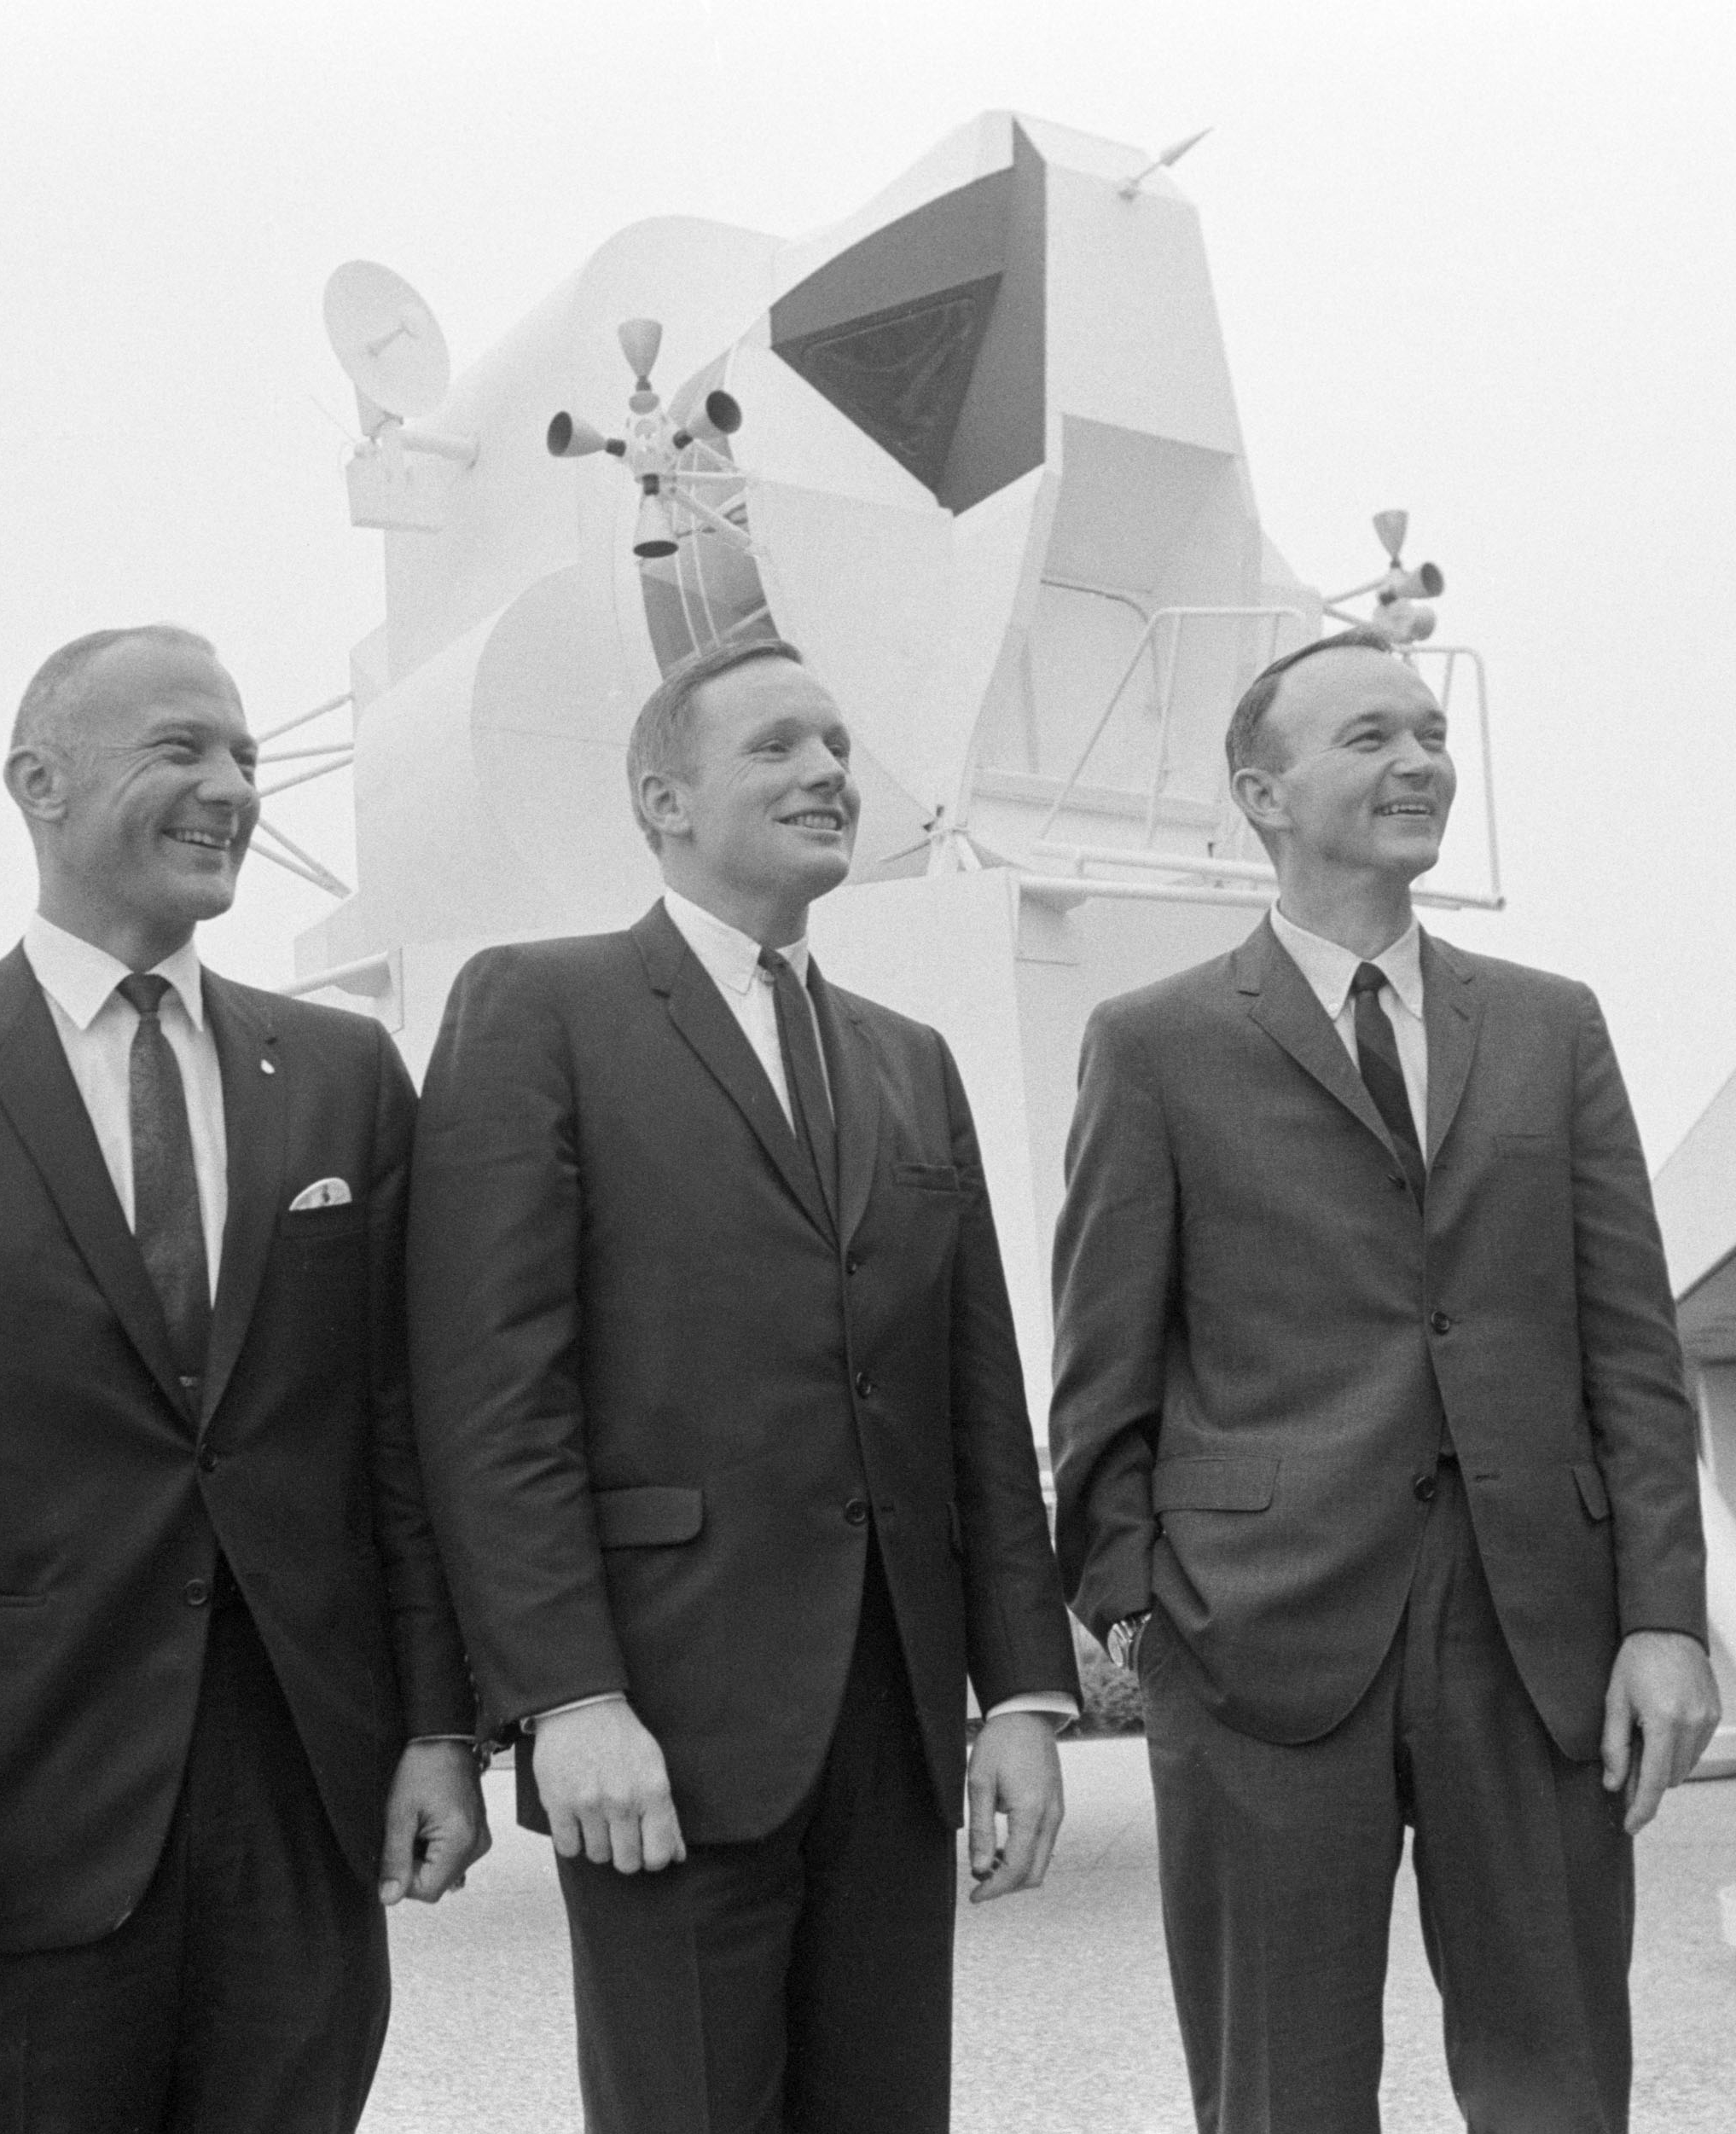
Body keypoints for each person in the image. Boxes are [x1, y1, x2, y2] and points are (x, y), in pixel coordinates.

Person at [0, 624, 487, 2134]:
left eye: (249, 760)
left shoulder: (345, 1076)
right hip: (9, 1834)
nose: (231, 789)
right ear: (38, 782)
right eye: (181, 750)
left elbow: (399, 1444)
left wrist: (440, 1726)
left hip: (300, 1818)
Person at [1050, 629, 1718, 2134]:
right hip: (1250, 1641)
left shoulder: (1555, 1026)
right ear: (1261, 793)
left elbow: (1631, 1343)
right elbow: (1103, 1363)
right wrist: (1143, 1614)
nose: (1420, 758)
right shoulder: (1151, 1045)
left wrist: (1664, 1617)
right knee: (1279, 2096)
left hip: (1536, 1631)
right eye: (1368, 737)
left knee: (1559, 2087)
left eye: (1429, 731)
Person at [408, 637, 1079, 2134]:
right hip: (661, 1725)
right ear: (663, 795)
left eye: (838, 744)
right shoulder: (538, 1010)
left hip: (893, 1725)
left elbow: (977, 1398)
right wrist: (564, 1693)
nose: (829, 771)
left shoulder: (909, 1065)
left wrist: (1023, 1695)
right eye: (778, 745)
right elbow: (489, 1393)